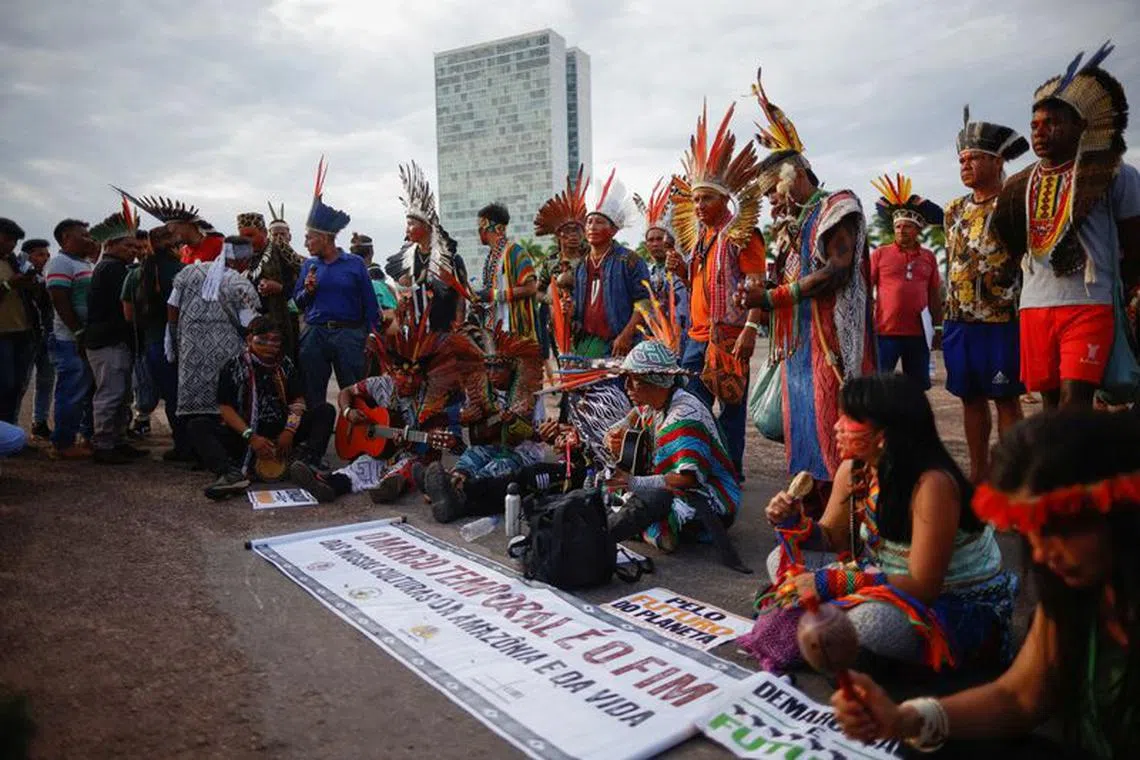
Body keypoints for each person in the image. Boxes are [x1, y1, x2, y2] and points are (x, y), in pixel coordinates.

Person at [832, 410, 1140, 758]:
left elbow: (922, 583)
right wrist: (903, 718)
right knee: (925, 743)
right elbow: (1019, 697)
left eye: (1061, 530)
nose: (1042, 555)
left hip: (961, 615)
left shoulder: (932, 484)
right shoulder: (1074, 589)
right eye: (1031, 535)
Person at [760, 374, 1017, 674]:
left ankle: (854, 642)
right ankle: (845, 641)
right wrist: (793, 522)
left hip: (952, 600)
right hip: (881, 576)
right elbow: (832, 538)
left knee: (867, 624)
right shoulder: (854, 468)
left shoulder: (931, 485)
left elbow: (924, 587)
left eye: (849, 419)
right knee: (778, 558)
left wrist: (832, 583)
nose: (836, 427)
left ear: (884, 434)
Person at [735, 69, 876, 515]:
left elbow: (835, 272)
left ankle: (849, 517)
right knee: (804, 431)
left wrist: (773, 297)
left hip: (832, 345)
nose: (773, 202)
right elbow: (787, 284)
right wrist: (758, 294)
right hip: (797, 349)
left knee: (837, 426)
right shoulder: (788, 228)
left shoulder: (839, 207)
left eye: (773, 191)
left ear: (794, 176)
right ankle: (814, 513)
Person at [992, 43, 1140, 410]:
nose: (1040, 133)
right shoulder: (1017, 185)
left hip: (1088, 303)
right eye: (1035, 125)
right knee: (1050, 404)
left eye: (1052, 123)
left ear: (1081, 126)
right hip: (1034, 304)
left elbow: (1135, 242)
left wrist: (1126, 293)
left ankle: (1078, 468)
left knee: (1075, 404)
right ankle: (1059, 469)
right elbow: (1010, 245)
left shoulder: (1115, 174)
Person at [669, 103, 766, 477]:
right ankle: (698, 468)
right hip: (696, 336)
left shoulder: (742, 234)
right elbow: (700, 282)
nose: (697, 206)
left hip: (729, 335)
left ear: (725, 198)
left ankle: (729, 472)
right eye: (694, 199)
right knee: (691, 404)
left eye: (705, 198)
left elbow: (755, 285)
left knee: (730, 407)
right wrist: (682, 269)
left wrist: (750, 328)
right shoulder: (702, 237)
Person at [602, 340, 750, 573]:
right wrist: (612, 434)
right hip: (674, 487)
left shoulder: (684, 416)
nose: (627, 386)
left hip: (708, 499)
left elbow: (687, 480)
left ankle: (622, 530)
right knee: (608, 485)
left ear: (656, 382)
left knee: (653, 498)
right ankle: (647, 529)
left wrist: (633, 482)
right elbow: (628, 419)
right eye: (627, 379)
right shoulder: (654, 402)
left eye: (635, 380)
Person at [289, 326, 481, 504]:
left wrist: (445, 440)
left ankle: (389, 487)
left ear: (423, 376)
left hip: (416, 455)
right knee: (359, 467)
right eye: (403, 374)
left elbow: (456, 444)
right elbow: (346, 392)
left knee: (407, 467)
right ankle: (328, 486)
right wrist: (348, 412)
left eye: (415, 374)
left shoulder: (436, 396)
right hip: (380, 451)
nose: (409, 380)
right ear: (392, 371)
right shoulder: (381, 384)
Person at [944, 109, 1031, 483]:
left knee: (1006, 398)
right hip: (958, 321)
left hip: (1001, 320)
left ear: (997, 162)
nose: (965, 165)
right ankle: (979, 476)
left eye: (974, 158)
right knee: (969, 397)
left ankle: (1010, 479)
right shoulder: (953, 210)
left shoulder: (1014, 202)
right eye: (962, 160)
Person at [188, 317, 334, 500]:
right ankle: (230, 473)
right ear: (250, 339)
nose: (270, 345)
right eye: (263, 340)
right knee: (198, 425)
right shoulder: (234, 366)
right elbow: (225, 408)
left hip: (281, 430)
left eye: (275, 341)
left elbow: (297, 400)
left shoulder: (284, 365)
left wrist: (289, 430)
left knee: (325, 411)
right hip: (245, 433)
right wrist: (251, 437)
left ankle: (307, 464)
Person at [421, 328, 545, 523]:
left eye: (498, 368)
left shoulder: (530, 395)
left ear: (511, 368)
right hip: (490, 444)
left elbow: (539, 436)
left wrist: (515, 423)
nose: (492, 374)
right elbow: (472, 432)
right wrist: (464, 418)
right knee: (471, 456)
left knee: (495, 469)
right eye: (488, 367)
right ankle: (450, 482)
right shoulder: (480, 389)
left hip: (523, 452)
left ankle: (454, 494)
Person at [292, 158, 378, 409]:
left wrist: (372, 334)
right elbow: (297, 304)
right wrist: (307, 292)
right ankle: (316, 439)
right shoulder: (309, 265)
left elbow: (369, 302)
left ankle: (360, 440)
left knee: (355, 391)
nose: (306, 243)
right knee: (312, 390)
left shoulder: (354, 264)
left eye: (309, 238)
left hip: (349, 334)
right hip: (315, 333)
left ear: (325, 238)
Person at [167, 237, 261, 423]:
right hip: (227, 357)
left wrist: (175, 336)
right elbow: (250, 324)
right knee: (224, 403)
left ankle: (188, 447)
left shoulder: (189, 271)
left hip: (190, 352)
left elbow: (172, 306)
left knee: (192, 407)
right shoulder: (240, 283)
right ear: (242, 261)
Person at [869, 173, 944, 390]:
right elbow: (866, 291)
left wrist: (937, 328)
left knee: (918, 387)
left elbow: (934, 296)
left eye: (907, 226)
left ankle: (914, 423)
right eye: (898, 226)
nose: (902, 230)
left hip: (919, 334)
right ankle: (880, 423)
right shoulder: (880, 254)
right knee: (879, 385)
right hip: (884, 333)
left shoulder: (928, 257)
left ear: (918, 230)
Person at [122, 225, 189, 461]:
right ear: (173, 247)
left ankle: (181, 445)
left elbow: (129, 316)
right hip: (185, 343)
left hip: (153, 343)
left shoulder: (135, 274)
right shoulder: (185, 272)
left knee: (171, 395)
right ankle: (190, 444)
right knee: (185, 395)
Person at [85, 209, 146, 465]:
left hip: (115, 340)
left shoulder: (116, 267)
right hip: (108, 341)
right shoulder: (111, 269)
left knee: (122, 394)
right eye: (127, 245)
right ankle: (104, 444)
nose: (133, 250)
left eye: (135, 246)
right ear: (110, 244)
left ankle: (118, 440)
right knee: (111, 393)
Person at [568, 169, 651, 358]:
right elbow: (577, 304)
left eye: (599, 222)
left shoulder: (630, 260)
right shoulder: (580, 265)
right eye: (589, 222)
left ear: (613, 230)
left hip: (619, 343)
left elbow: (645, 302)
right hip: (587, 343)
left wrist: (626, 336)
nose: (592, 227)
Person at [384, 162, 469, 334]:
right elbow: (403, 295)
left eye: (412, 224)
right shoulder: (406, 260)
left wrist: (459, 325)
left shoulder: (450, 259)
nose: (407, 229)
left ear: (427, 227)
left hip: (446, 331)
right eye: (407, 224)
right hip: (418, 335)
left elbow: (461, 295)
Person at [44, 218, 96, 459]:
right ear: (66, 237)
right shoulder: (60, 262)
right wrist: (78, 332)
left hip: (83, 337)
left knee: (86, 390)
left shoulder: (84, 262)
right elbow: (59, 300)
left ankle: (85, 436)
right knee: (71, 391)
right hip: (68, 339)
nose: (89, 239)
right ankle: (63, 443)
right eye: (83, 235)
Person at [239, 211, 301, 361]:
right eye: (243, 236)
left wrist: (280, 288)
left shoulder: (280, 250)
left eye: (250, 235)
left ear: (264, 232)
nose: (246, 240)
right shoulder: (243, 255)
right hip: (251, 324)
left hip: (281, 322)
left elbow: (303, 283)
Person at [636, 181, 689, 352]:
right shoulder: (646, 271)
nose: (655, 244)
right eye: (650, 240)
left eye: (659, 239)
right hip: (655, 337)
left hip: (685, 336)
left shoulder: (681, 265)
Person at [474, 203, 538, 339]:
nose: (479, 232)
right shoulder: (491, 258)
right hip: (496, 330)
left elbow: (531, 288)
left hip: (515, 331)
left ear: (488, 228)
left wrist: (495, 295)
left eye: (480, 228)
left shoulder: (515, 252)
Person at [115, 188, 223, 265]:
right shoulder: (183, 252)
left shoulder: (219, 244)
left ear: (186, 224)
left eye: (174, 229)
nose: (171, 235)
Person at [17, 238, 54, 441]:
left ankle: (39, 422)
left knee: (46, 381)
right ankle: (10, 426)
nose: (45, 258)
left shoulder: (45, 277)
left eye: (47, 255)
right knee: (21, 382)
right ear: (28, 256)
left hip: (47, 334)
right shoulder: (22, 277)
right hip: (27, 336)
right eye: (40, 254)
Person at [0, 218, 35, 425]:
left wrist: (30, 284)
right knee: (5, 384)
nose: (11, 244)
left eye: (14, 241)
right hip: (2, 334)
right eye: (7, 239)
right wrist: (7, 285)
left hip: (22, 331)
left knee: (17, 386)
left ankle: (11, 431)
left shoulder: (13, 261)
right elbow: (7, 287)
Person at [350, 232, 398, 313]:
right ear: (371, 252)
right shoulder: (378, 286)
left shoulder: (344, 280)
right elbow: (391, 314)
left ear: (351, 254)